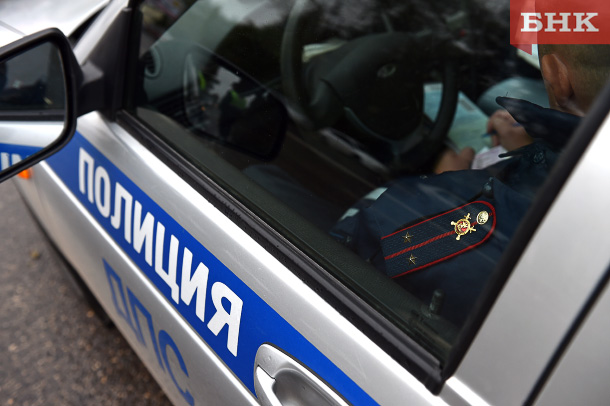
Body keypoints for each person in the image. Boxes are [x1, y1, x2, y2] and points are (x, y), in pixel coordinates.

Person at [330, 44, 610, 327]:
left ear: (555, 76)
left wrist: (445, 192)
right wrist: (532, 151)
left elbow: (336, 266)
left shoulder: (403, 212)